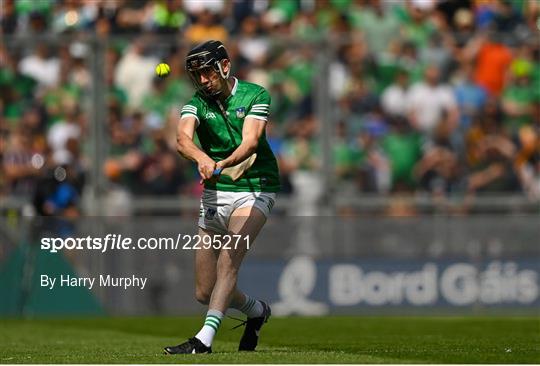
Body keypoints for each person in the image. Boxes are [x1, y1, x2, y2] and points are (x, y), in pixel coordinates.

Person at [164, 40, 280, 354]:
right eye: (196, 75)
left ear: (224, 67)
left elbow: (251, 142)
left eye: (207, 72)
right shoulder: (196, 102)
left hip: (255, 187)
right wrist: (202, 159)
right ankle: (256, 311)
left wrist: (224, 164)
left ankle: (204, 339)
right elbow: (182, 139)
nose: (202, 80)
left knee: (228, 262)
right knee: (204, 290)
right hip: (217, 192)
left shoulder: (256, 94)